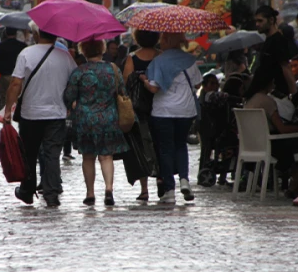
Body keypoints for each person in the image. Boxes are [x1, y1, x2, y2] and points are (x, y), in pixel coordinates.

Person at [4, 29, 77, 207]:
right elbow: (75, 81)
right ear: (55, 36)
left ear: (38, 34)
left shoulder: (26, 54)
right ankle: (51, 194)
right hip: (56, 113)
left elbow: (15, 83)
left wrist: (8, 110)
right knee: (53, 154)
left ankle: (27, 191)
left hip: (31, 113)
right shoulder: (65, 56)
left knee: (29, 153)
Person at [64, 39, 128, 206]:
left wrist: (73, 103)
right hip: (108, 117)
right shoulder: (112, 69)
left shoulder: (79, 71)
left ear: (83, 51)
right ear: (102, 49)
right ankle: (108, 189)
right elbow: (122, 91)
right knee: (106, 156)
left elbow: (68, 96)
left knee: (88, 157)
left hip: (85, 119)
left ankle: (90, 193)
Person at [141, 32, 202, 204]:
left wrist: (145, 81)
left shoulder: (158, 61)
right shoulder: (189, 60)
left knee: (166, 149)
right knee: (181, 145)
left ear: (166, 40)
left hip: (164, 111)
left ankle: (169, 189)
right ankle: (184, 179)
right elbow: (198, 83)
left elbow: (153, 88)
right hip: (186, 110)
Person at [244, 62, 298, 198]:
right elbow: (282, 128)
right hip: (270, 145)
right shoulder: (267, 101)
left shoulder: (249, 100)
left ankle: (294, 186)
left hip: (253, 144)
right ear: (268, 82)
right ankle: (293, 187)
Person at [254, 5, 298, 97]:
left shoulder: (278, 40)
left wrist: (294, 95)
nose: (257, 24)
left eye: (260, 21)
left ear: (271, 20)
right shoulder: (268, 41)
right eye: (256, 21)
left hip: (278, 95)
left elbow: (286, 67)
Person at [0, 27, 27, 105]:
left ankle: (4, 112)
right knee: (17, 95)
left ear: (6, 33)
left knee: (5, 96)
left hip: (4, 75)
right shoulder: (22, 46)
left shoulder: (0, 45)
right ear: (16, 34)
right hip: (19, 76)